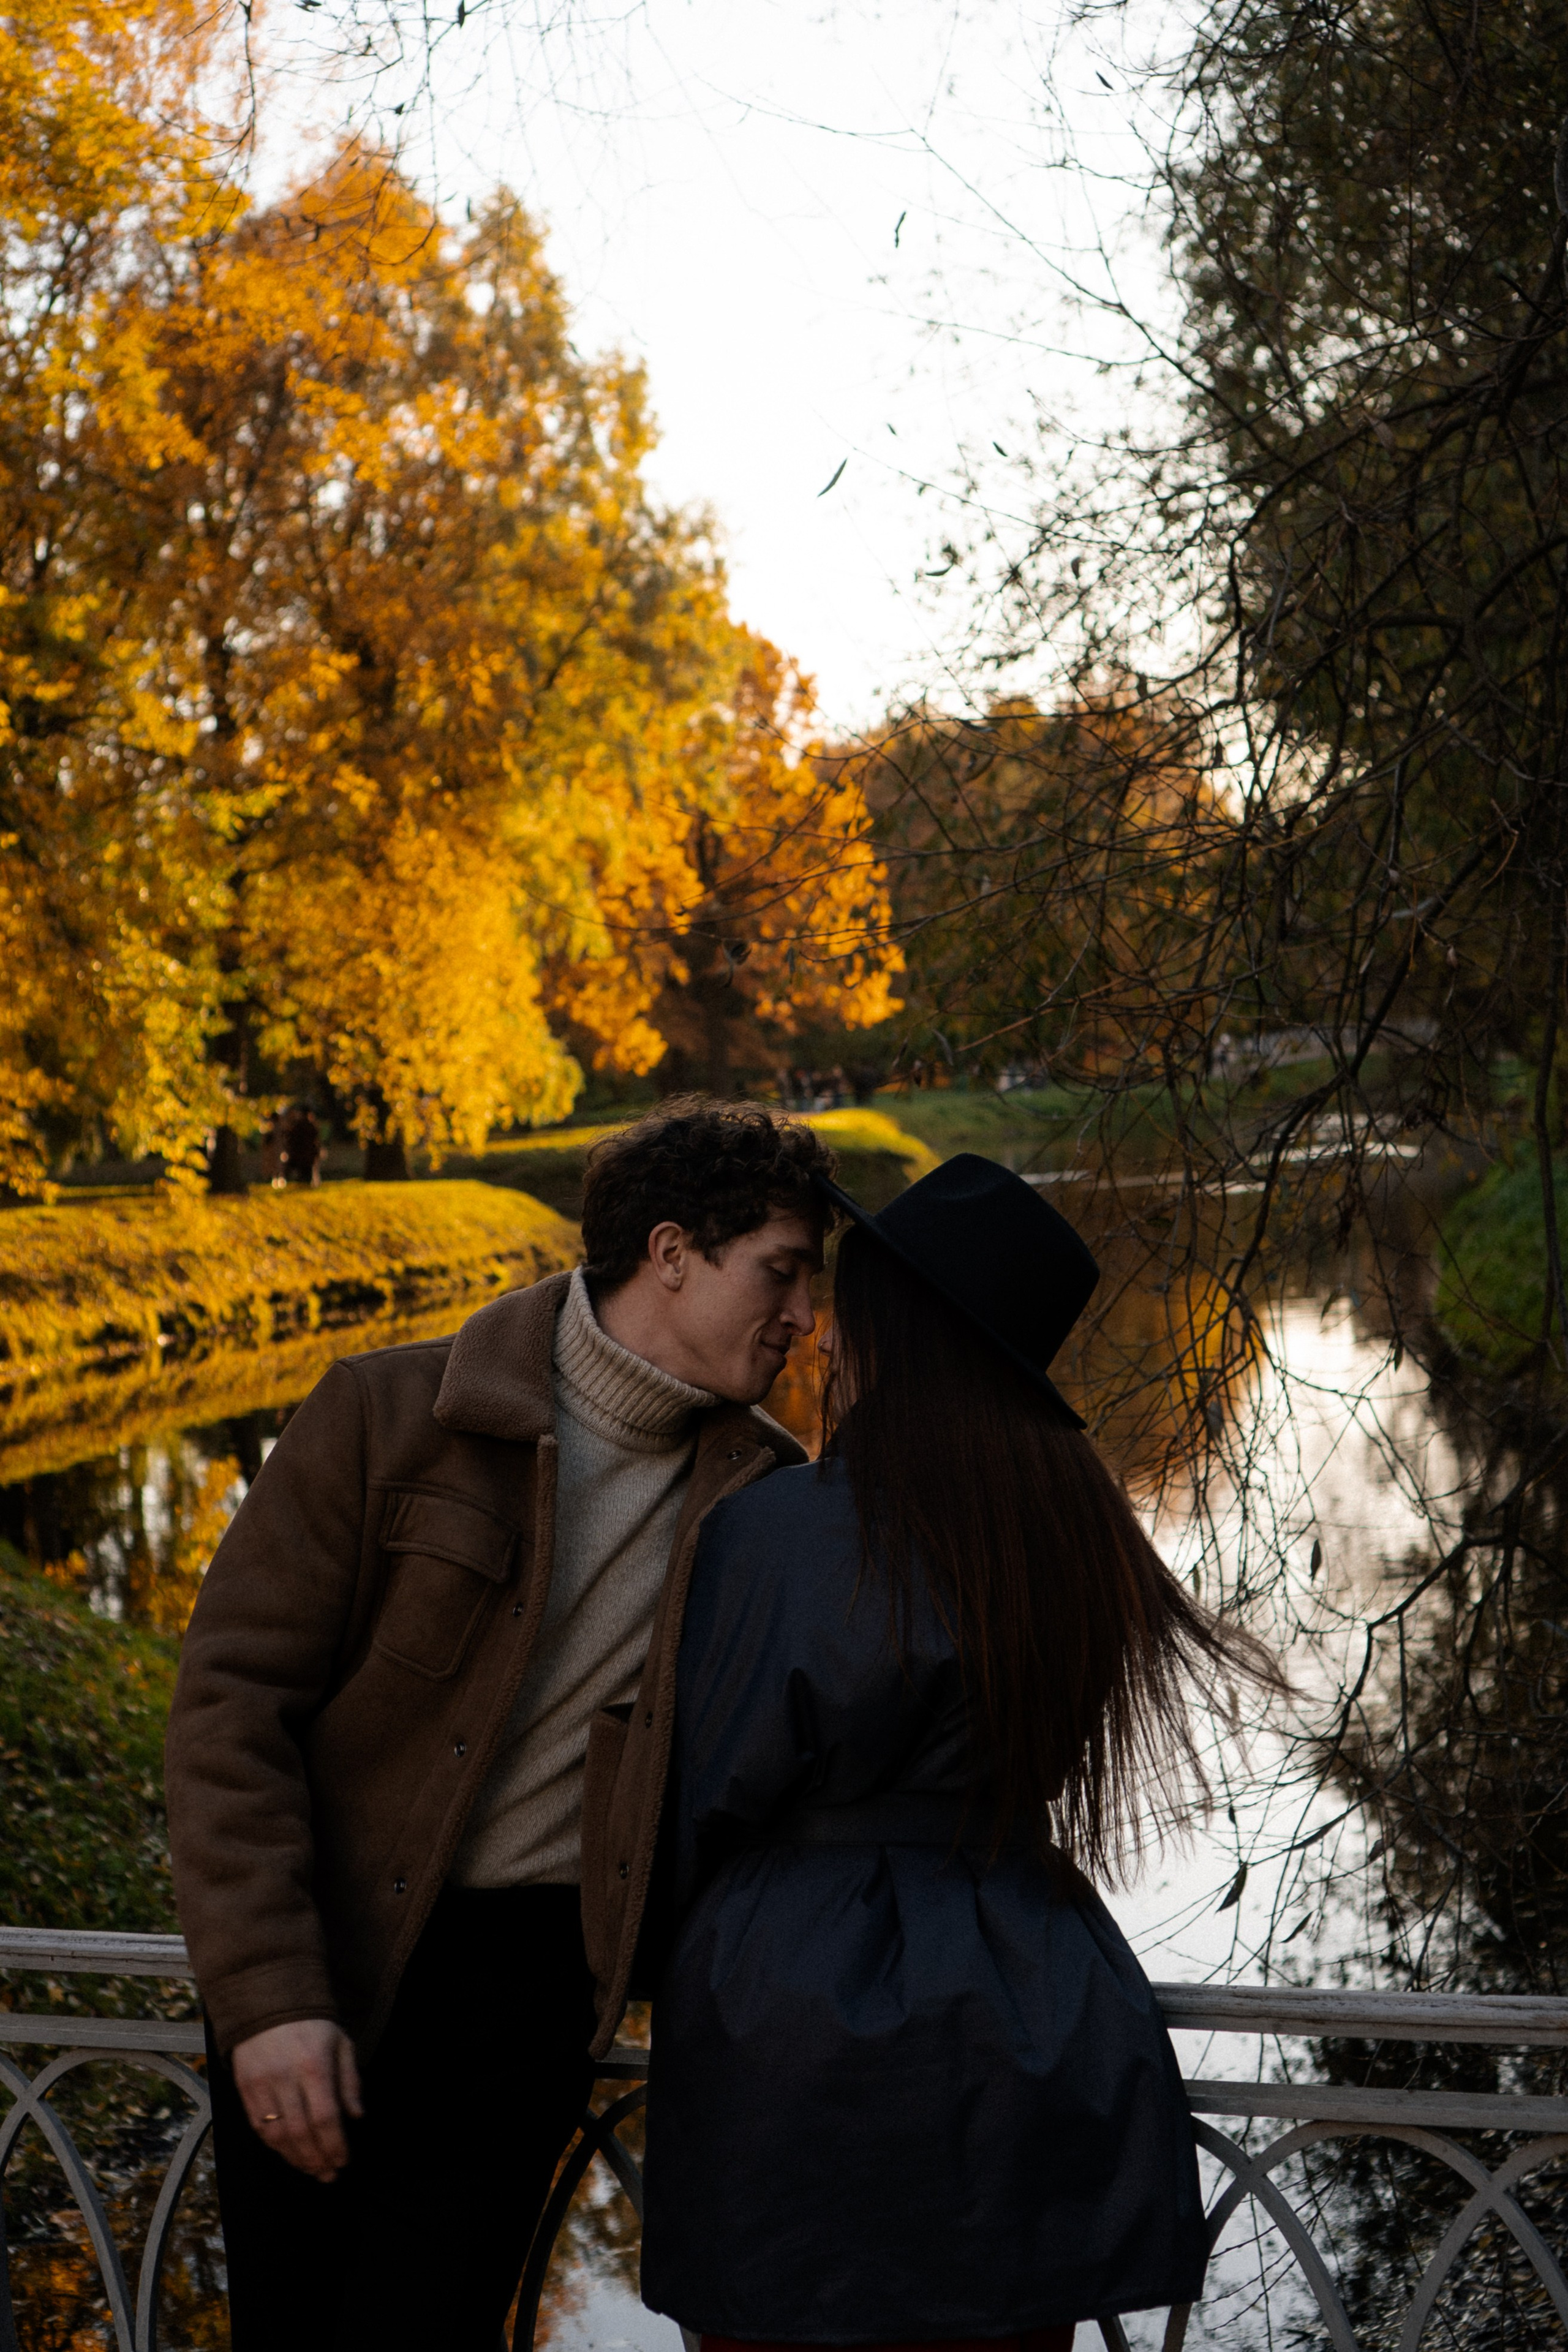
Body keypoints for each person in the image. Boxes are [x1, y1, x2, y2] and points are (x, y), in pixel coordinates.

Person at [163, 1098, 837, 2352]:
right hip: (326, 1965)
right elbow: (227, 1712)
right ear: (673, 1252)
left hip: (521, 2010)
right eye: (782, 1274)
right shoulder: (382, 1414)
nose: (803, 1318)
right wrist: (263, 1997)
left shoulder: (769, 1498)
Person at [639, 1155, 1281, 2349]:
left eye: (849, 1304)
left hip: (788, 2018)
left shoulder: (776, 1532)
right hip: (1020, 1998)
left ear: (893, 1329)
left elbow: (700, 1792)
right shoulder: (1078, 1535)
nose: (823, 1334)